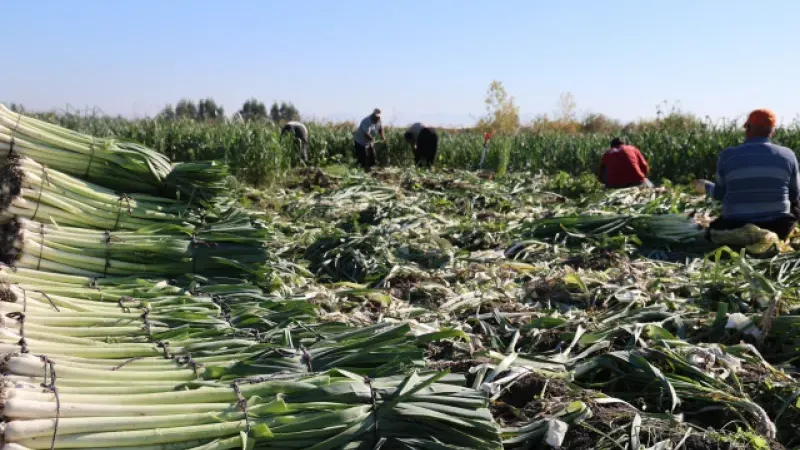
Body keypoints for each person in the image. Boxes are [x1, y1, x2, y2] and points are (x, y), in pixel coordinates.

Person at [693, 108, 800, 240]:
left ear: (748, 129)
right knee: (795, 204)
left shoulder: (727, 156)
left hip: (734, 226)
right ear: (772, 131)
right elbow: (794, 195)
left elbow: (719, 195)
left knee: (717, 226)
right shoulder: (788, 155)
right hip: (777, 227)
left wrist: (707, 187)